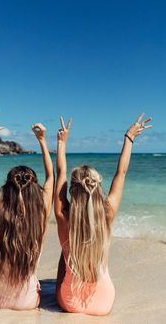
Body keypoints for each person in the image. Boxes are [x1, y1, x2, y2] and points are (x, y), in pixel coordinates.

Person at [54, 114, 152, 315]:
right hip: (104, 303)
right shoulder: (107, 214)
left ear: (72, 190)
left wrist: (62, 144)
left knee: (65, 254)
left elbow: (60, 173)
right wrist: (129, 137)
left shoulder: (63, 217)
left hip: (70, 303)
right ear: (98, 187)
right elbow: (121, 172)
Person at [0, 113, 54, 309]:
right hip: (28, 302)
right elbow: (51, 175)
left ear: (7, 188)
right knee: (43, 286)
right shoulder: (41, 214)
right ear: (35, 190)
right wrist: (42, 140)